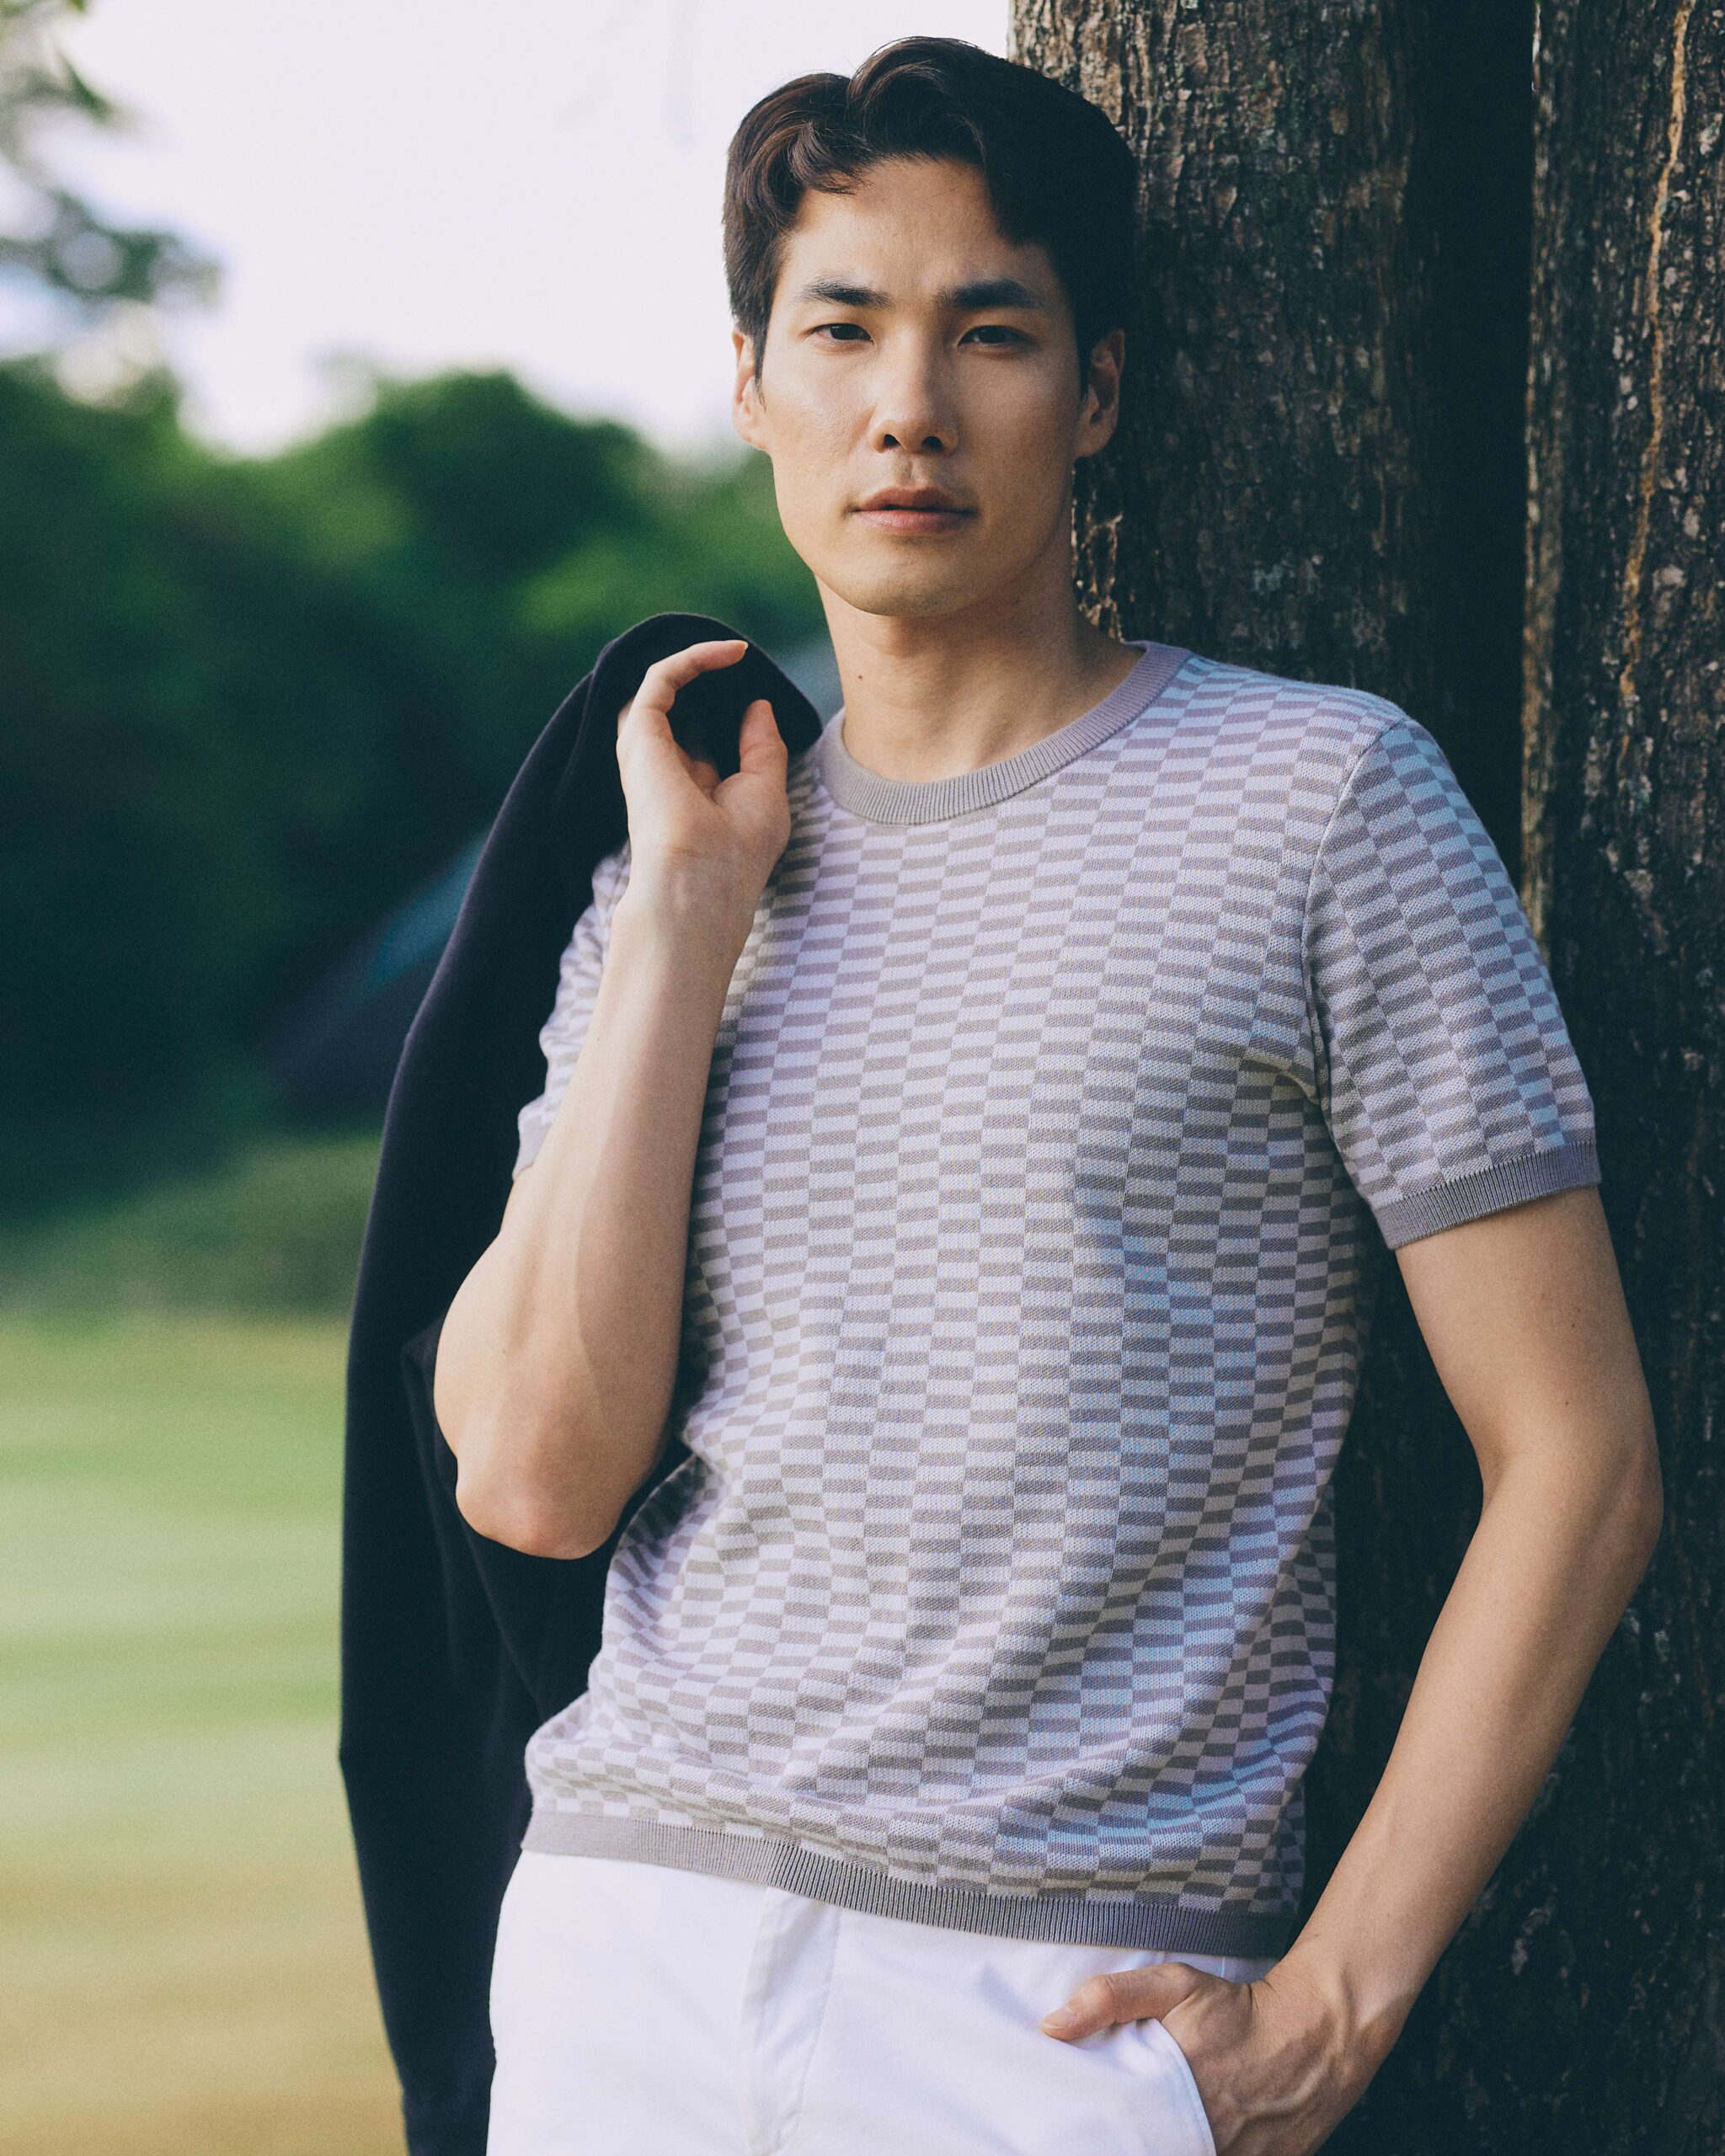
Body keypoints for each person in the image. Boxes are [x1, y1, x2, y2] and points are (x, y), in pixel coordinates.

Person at [428, 35, 1663, 2156]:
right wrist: (686, 925)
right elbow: (534, 1473)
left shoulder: (1318, 801)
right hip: (624, 1952)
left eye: (987, 332)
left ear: (1092, 395)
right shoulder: (674, 870)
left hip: (1054, 2009)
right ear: (753, 386)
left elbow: (1579, 1454)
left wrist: (1334, 2003)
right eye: (842, 329)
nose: (908, 403)